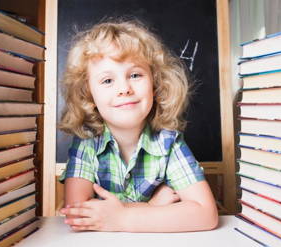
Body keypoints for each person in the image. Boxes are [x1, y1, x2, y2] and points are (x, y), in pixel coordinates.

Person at [58, 20, 218, 232]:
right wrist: (149, 207)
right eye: (107, 81)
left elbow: (206, 215)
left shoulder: (168, 142)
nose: (124, 88)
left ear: (155, 83)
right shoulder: (87, 142)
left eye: (135, 75)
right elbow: (78, 216)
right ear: (88, 94)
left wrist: (121, 217)